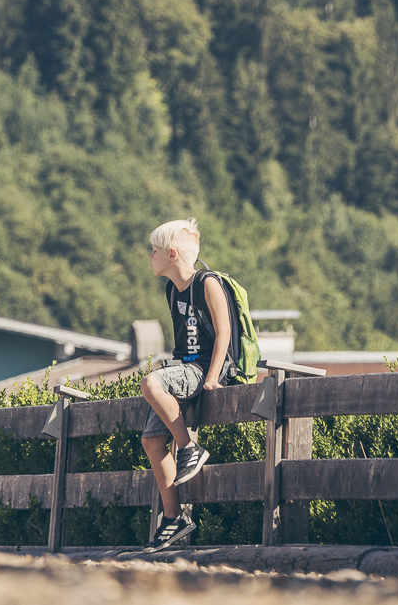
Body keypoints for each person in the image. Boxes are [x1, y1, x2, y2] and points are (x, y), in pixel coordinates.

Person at [139, 217, 233, 550]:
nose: (150, 256)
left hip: (203, 369)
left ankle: (190, 449)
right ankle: (174, 518)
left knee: (150, 383)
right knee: (151, 442)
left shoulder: (206, 282)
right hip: (183, 368)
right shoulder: (172, 289)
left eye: (154, 251)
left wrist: (211, 379)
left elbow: (224, 332)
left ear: (173, 254)